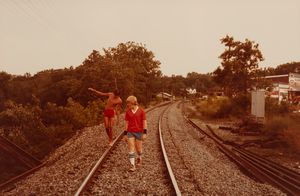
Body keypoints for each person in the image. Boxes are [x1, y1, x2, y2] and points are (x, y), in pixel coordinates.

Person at [123, 95, 147, 172]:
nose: (127, 104)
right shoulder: (128, 112)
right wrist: (125, 134)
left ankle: (139, 157)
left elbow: (144, 122)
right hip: (130, 132)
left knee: (139, 150)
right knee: (131, 148)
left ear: (133, 102)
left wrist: (144, 133)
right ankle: (132, 165)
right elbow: (126, 123)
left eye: (128, 103)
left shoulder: (141, 111)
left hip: (139, 132)